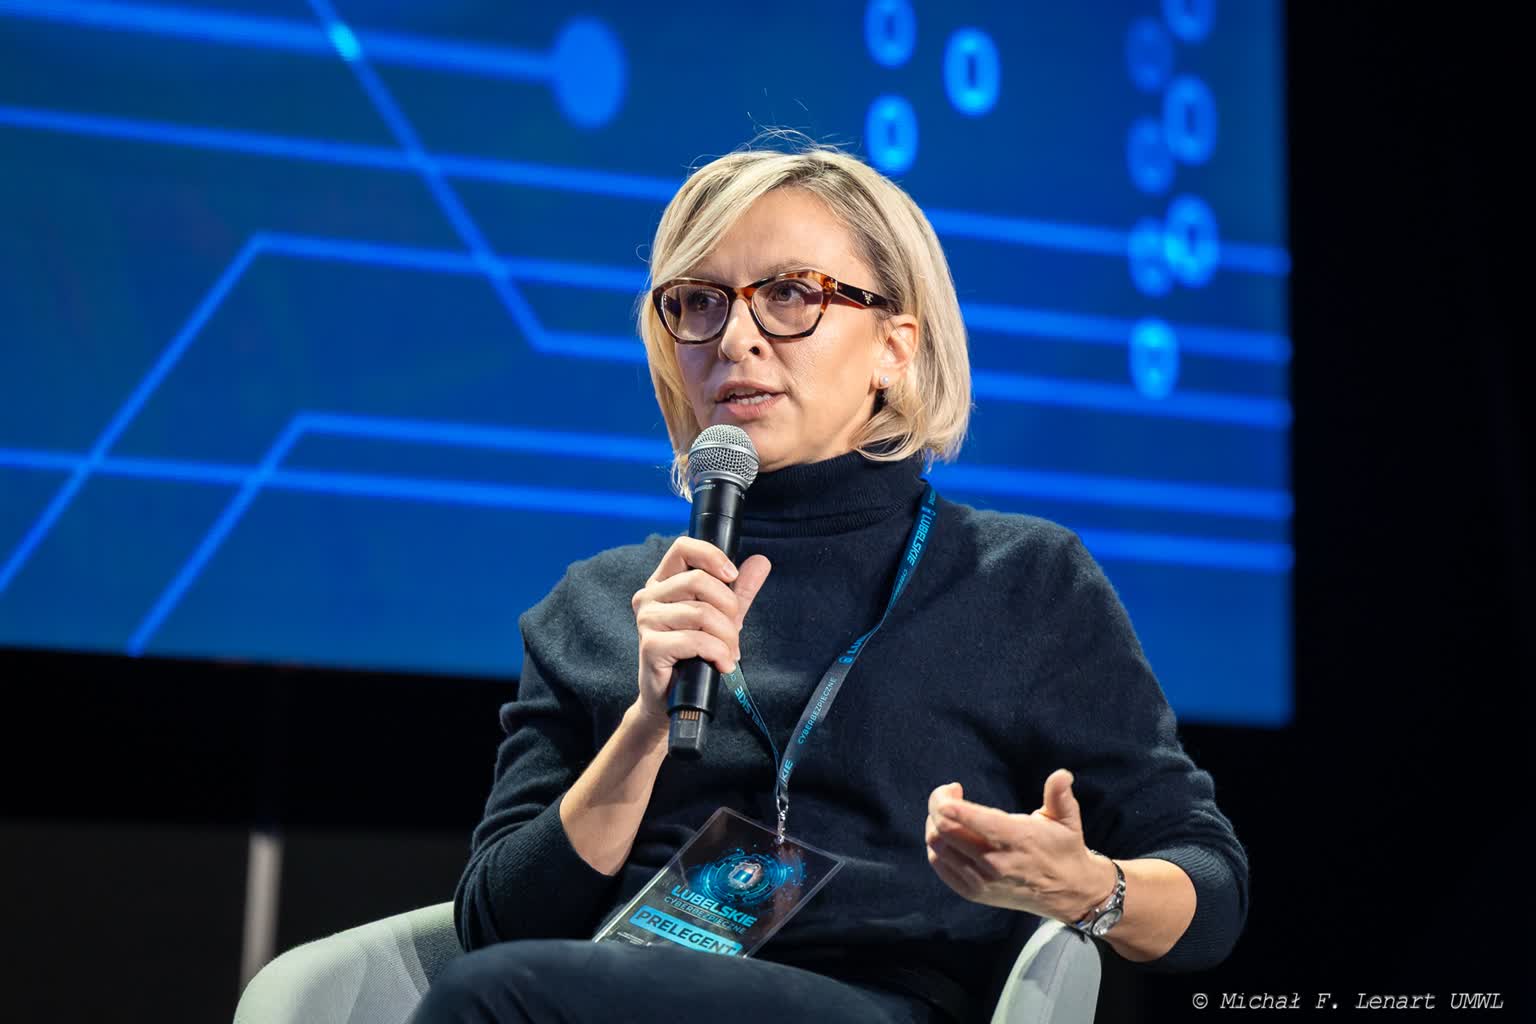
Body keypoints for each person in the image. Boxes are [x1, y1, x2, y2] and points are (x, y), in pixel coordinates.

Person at [411, 136, 1249, 1024]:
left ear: (894, 347)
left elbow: (1210, 889)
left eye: (789, 295)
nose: (734, 338)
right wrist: (646, 727)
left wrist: (1087, 886)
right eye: (698, 302)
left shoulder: (1020, 583)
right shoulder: (602, 606)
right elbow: (495, 928)